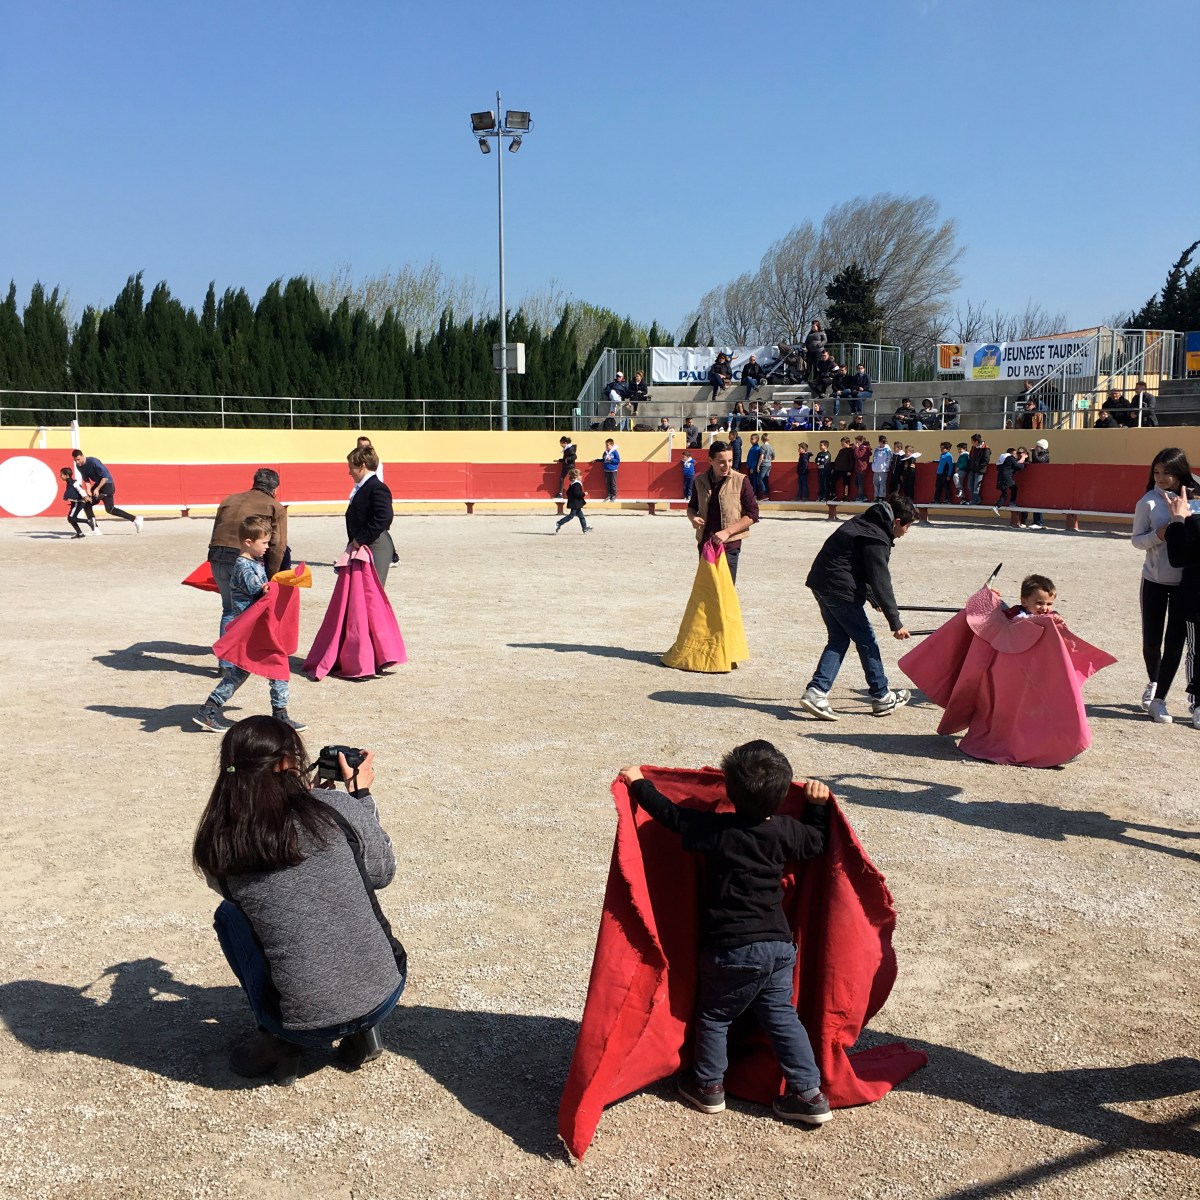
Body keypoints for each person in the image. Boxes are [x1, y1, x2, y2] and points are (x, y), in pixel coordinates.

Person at [617, 743, 834, 1126]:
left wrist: (638, 784)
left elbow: (671, 816)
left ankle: (708, 1087)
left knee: (716, 1016)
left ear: (728, 792)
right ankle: (808, 1094)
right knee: (781, 1015)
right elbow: (816, 843)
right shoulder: (785, 831)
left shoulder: (718, 831)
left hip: (732, 949)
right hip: (779, 946)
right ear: (784, 795)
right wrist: (816, 806)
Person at [192, 716, 406, 1084]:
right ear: (292, 762)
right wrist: (359, 799)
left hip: (299, 1022)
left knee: (231, 914)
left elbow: (251, 894)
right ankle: (360, 1029)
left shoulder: (220, 840)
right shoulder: (335, 807)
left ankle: (279, 1038)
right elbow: (381, 874)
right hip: (386, 990)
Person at [798, 494, 915, 720]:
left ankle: (817, 692)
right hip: (839, 590)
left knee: (839, 639)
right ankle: (882, 697)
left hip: (821, 584)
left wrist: (872, 598)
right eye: (908, 526)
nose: (906, 532)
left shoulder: (865, 522)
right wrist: (896, 622)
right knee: (866, 640)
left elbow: (856, 564)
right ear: (897, 522)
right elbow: (881, 580)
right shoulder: (877, 538)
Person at [194, 516, 305, 733]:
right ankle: (280, 715)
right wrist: (285, 582)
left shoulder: (252, 562)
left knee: (241, 673)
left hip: (254, 627)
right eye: (263, 543)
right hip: (253, 629)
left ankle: (208, 710)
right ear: (248, 542)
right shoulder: (244, 566)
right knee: (278, 666)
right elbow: (262, 592)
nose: (266, 547)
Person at [1132, 448, 1193, 723]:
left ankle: (1169, 692)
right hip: (1154, 580)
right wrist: (1158, 534)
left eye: (1167, 472)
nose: (1161, 477)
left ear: (1180, 472)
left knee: (1176, 641)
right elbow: (1136, 540)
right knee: (1151, 640)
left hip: (1186, 583)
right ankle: (1153, 682)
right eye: (1156, 472)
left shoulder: (1195, 499)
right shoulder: (1148, 502)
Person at [208, 468, 289, 652]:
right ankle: (247, 653)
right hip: (244, 560)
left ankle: (226, 661)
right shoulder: (274, 506)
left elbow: (216, 532)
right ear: (275, 488)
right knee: (249, 609)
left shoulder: (228, 500)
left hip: (217, 556)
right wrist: (272, 576)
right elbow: (278, 545)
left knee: (229, 609)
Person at [687, 439, 759, 585]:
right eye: (721, 461)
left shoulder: (741, 480)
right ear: (710, 460)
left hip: (729, 545)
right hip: (706, 543)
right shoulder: (699, 480)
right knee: (707, 590)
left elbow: (753, 514)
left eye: (730, 460)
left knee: (725, 590)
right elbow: (692, 507)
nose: (727, 466)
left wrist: (727, 532)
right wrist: (693, 517)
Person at [1163, 488, 1200, 730]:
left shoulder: (1193, 520)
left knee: (1197, 652)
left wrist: (1179, 519)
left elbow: (1178, 557)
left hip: (1196, 597)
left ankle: (1198, 703)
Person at [345, 446, 395, 587]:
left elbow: (384, 516)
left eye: (351, 467)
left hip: (376, 543)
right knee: (362, 589)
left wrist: (361, 538)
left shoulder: (377, 487)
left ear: (362, 466)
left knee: (372, 590)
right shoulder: (365, 487)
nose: (349, 472)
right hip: (366, 542)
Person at [71, 449, 143, 532]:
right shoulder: (79, 466)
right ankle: (95, 529)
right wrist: (89, 490)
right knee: (87, 505)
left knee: (110, 509)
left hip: (107, 485)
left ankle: (136, 519)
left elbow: (105, 477)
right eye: (75, 460)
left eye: (78, 459)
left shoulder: (94, 462)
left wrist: (97, 489)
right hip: (98, 484)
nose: (77, 462)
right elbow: (86, 480)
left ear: (83, 456)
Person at [1019, 439, 1050, 528]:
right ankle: (1025, 521)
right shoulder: (1039, 454)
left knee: (1038, 502)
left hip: (1040, 481)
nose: (1036, 448)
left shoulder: (1046, 455)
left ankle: (1038, 522)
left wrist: (1034, 452)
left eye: (1038, 447)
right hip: (1035, 481)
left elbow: (1038, 461)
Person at [60, 466, 96, 538]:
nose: (60, 476)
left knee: (71, 518)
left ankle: (88, 521)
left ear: (67, 475)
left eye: (61, 475)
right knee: (71, 519)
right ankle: (79, 533)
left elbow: (80, 489)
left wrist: (85, 496)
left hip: (78, 502)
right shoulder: (69, 482)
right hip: (75, 502)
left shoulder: (73, 482)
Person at [555, 468, 591, 534]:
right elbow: (577, 494)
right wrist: (584, 494)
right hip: (576, 503)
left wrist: (571, 498)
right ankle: (559, 523)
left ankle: (585, 528)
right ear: (576, 476)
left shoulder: (572, 484)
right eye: (580, 475)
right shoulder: (577, 484)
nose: (581, 476)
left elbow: (568, 493)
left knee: (581, 516)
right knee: (571, 516)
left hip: (575, 503)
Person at [993, 447, 1026, 511]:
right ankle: (1012, 503)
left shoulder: (1002, 459)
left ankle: (996, 506)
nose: (1016, 455)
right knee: (1014, 488)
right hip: (1007, 478)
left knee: (1004, 493)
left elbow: (998, 468)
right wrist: (1023, 460)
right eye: (1015, 454)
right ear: (1012, 453)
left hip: (1000, 478)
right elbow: (1017, 467)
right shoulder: (1010, 458)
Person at [967, 434, 991, 505]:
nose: (971, 443)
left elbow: (986, 460)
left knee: (976, 486)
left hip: (980, 470)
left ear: (976, 442)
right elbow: (970, 457)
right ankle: (977, 499)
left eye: (972, 441)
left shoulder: (986, 448)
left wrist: (978, 467)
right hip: (972, 469)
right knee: (970, 485)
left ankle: (974, 501)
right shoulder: (973, 448)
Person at [830, 437, 856, 502]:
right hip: (838, 469)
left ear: (847, 443)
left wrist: (850, 470)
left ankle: (845, 496)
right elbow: (837, 460)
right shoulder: (841, 451)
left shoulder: (851, 451)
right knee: (832, 481)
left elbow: (851, 461)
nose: (841, 445)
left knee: (846, 484)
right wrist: (833, 468)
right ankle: (833, 494)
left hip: (846, 470)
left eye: (843, 443)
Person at [870, 436, 893, 501]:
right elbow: (874, 458)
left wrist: (886, 466)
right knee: (875, 483)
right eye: (881, 443)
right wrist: (873, 466)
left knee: (882, 483)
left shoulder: (887, 449)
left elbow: (889, 459)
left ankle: (881, 497)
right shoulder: (876, 449)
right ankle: (876, 496)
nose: (883, 444)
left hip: (883, 469)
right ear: (879, 442)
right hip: (876, 469)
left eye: (884, 443)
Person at [756, 432, 776, 500]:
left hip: (764, 464)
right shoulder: (771, 447)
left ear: (762, 439)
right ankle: (767, 494)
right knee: (766, 479)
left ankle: (764, 493)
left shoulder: (762, 447)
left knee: (760, 478)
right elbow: (774, 457)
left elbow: (761, 456)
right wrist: (769, 459)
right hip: (769, 464)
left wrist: (758, 465)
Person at [853, 435, 871, 501]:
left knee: (860, 483)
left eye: (857, 442)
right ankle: (863, 496)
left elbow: (858, 455)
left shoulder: (864, 448)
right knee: (856, 482)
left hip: (862, 468)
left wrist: (856, 448)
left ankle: (860, 496)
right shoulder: (860, 448)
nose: (856, 443)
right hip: (858, 467)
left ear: (861, 441)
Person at [745, 433, 763, 497]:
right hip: (750, 466)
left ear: (757, 440)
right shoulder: (753, 447)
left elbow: (755, 459)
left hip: (753, 467)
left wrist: (752, 467)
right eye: (751, 439)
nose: (751, 440)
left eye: (752, 439)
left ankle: (754, 494)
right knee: (751, 480)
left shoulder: (756, 448)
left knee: (754, 480)